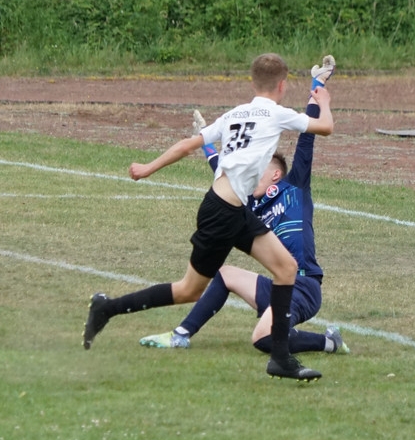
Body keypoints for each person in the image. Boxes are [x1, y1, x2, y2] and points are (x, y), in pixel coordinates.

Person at [82, 53, 333, 382]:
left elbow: (188, 145)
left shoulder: (234, 114)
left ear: (253, 82)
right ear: (283, 86)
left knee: (285, 268)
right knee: (188, 290)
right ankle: (107, 308)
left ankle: (281, 358)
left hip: (229, 209)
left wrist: (147, 168)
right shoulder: (277, 113)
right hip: (223, 214)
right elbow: (325, 127)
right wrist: (324, 100)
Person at [139, 56, 349, 356]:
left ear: (275, 174)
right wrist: (206, 141)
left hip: (304, 286)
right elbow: (222, 167)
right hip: (278, 285)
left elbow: (307, 138)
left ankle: (329, 342)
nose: (253, 170)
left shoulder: (295, 187)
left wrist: (318, 83)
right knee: (225, 274)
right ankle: (180, 334)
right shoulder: (248, 203)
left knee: (262, 338)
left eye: (261, 167)